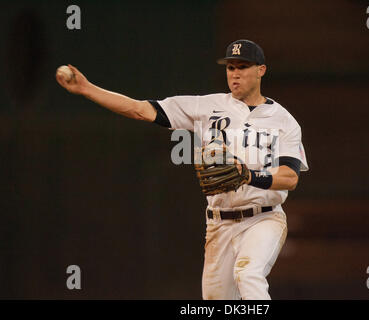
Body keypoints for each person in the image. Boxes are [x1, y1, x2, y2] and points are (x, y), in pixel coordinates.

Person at [56, 39, 309, 300]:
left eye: (243, 67)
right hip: (219, 224)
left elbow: (290, 178)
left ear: (261, 70)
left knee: (248, 275)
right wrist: (87, 89)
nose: (235, 74)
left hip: (263, 219)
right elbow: (140, 109)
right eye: (230, 67)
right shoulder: (205, 107)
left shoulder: (284, 121)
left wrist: (249, 176)